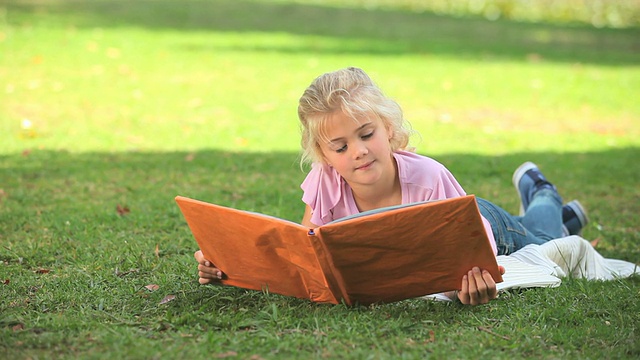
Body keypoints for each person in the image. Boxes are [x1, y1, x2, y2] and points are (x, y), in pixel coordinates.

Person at [194, 67, 589, 306]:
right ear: (324, 155)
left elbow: (474, 255)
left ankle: (544, 194)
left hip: (484, 221)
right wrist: (227, 266)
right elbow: (307, 251)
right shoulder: (325, 183)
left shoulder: (430, 177)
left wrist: (467, 286)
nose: (359, 152)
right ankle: (564, 213)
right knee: (549, 229)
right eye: (341, 146)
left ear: (389, 129)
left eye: (367, 134)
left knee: (541, 236)